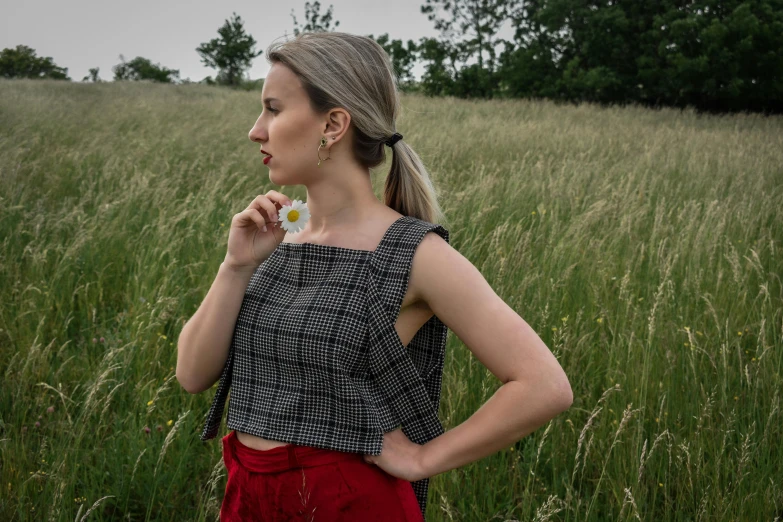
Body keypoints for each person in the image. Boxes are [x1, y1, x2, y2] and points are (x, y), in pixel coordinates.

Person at [176, 31, 573, 521]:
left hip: (348, 503)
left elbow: (544, 385)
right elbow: (192, 374)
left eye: (274, 109)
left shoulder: (415, 252)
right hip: (248, 497)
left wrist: (425, 458)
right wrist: (236, 266)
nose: (256, 130)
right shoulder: (279, 240)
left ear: (334, 124)